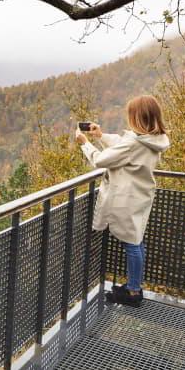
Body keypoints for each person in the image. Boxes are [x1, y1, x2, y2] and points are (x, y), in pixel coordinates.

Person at [75, 95, 170, 307]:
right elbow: (124, 143)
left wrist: (85, 143)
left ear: (137, 117)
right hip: (140, 196)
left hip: (128, 199)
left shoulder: (136, 143)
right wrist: (100, 135)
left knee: (132, 244)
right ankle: (133, 285)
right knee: (136, 241)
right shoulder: (153, 139)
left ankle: (133, 292)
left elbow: (100, 160)